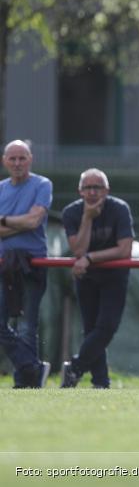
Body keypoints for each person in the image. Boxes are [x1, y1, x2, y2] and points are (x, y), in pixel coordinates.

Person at [60, 169, 134, 388]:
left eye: (98, 187)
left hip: (114, 276)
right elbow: (78, 250)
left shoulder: (119, 209)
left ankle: (75, 367)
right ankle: (100, 381)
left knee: (107, 326)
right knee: (92, 329)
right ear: (80, 191)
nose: (92, 192)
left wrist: (91, 258)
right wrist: (87, 218)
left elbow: (125, 249)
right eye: (87, 188)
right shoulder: (71, 212)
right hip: (87, 277)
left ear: (107, 190)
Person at [0, 140, 52, 388]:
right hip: (4, 265)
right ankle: (32, 369)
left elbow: (34, 222)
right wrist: (22, 221)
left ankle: (25, 381)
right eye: (13, 158)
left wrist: (4, 221)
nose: (18, 163)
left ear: (30, 159)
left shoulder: (42, 184)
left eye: (22, 158)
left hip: (33, 263)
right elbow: (30, 220)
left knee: (27, 325)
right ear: (4, 161)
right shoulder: (1, 188)